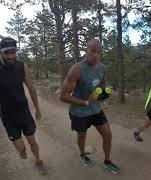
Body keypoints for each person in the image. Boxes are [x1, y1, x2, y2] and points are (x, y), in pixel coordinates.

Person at [0, 37, 47, 175]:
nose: (11, 56)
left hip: (24, 112)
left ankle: (38, 160)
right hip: (7, 117)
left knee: (32, 141)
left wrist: (37, 108)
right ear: (0, 52)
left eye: (13, 52)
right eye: (7, 53)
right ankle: (22, 152)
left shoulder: (22, 66)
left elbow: (31, 88)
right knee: (21, 148)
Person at [60, 39, 120, 174]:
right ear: (86, 51)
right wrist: (85, 102)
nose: (96, 55)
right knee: (82, 136)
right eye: (93, 51)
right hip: (79, 111)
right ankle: (82, 154)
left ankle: (107, 161)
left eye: (99, 52)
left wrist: (104, 93)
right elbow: (63, 96)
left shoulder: (103, 68)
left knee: (108, 135)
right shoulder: (77, 69)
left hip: (96, 109)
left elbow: (102, 85)